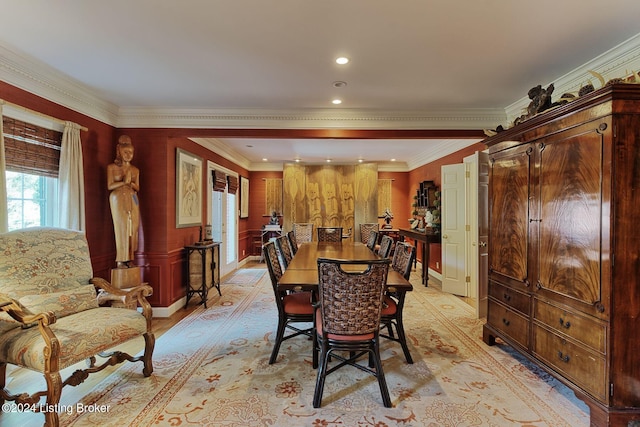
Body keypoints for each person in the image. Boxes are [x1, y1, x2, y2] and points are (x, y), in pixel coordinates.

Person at [107, 135, 140, 268]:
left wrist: (130, 184)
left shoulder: (135, 170)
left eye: (131, 152)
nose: (128, 155)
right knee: (121, 227)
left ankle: (130, 257)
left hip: (133, 198)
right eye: (126, 152)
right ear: (119, 151)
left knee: (133, 227)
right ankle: (121, 259)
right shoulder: (111, 168)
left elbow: (137, 187)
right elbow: (109, 186)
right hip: (117, 198)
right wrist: (123, 182)